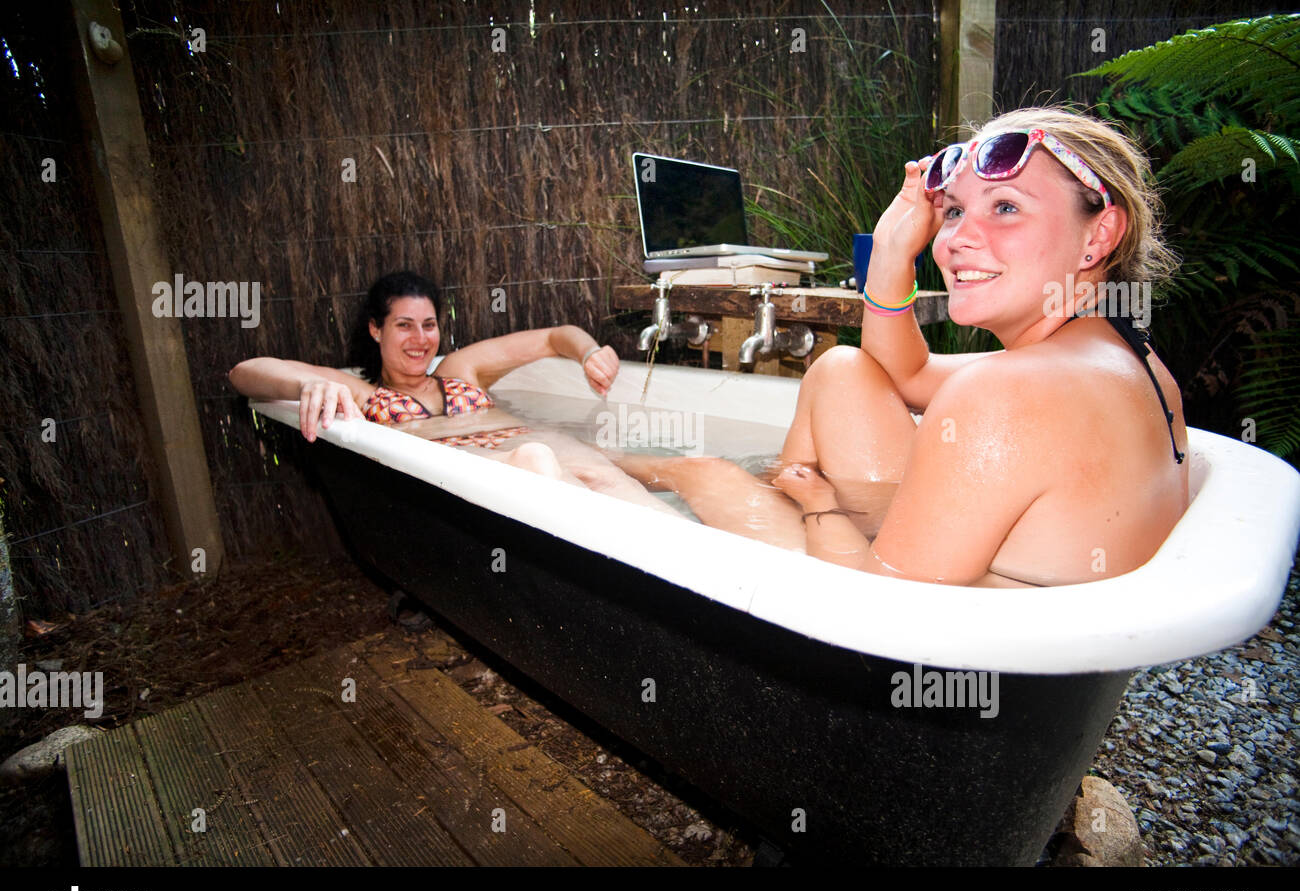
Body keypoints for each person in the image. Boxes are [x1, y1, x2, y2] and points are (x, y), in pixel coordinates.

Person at [618, 107, 1188, 586]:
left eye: (1007, 207)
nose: (958, 238)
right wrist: (892, 250)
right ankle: (752, 488)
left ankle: (614, 479)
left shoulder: (1009, 394)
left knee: (700, 474)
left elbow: (880, 617)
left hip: (949, 655)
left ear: (1099, 236)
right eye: (958, 210)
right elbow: (906, 372)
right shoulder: (1122, 361)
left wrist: (822, 507)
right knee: (841, 370)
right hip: (995, 614)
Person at [229, 271, 680, 513]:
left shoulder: (460, 371)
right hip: (494, 468)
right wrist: (310, 382)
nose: (420, 339)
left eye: (428, 325)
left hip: (530, 442)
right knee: (535, 462)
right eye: (403, 326)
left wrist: (587, 353)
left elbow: (555, 336)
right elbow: (245, 372)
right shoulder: (366, 395)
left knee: (607, 480)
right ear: (375, 330)